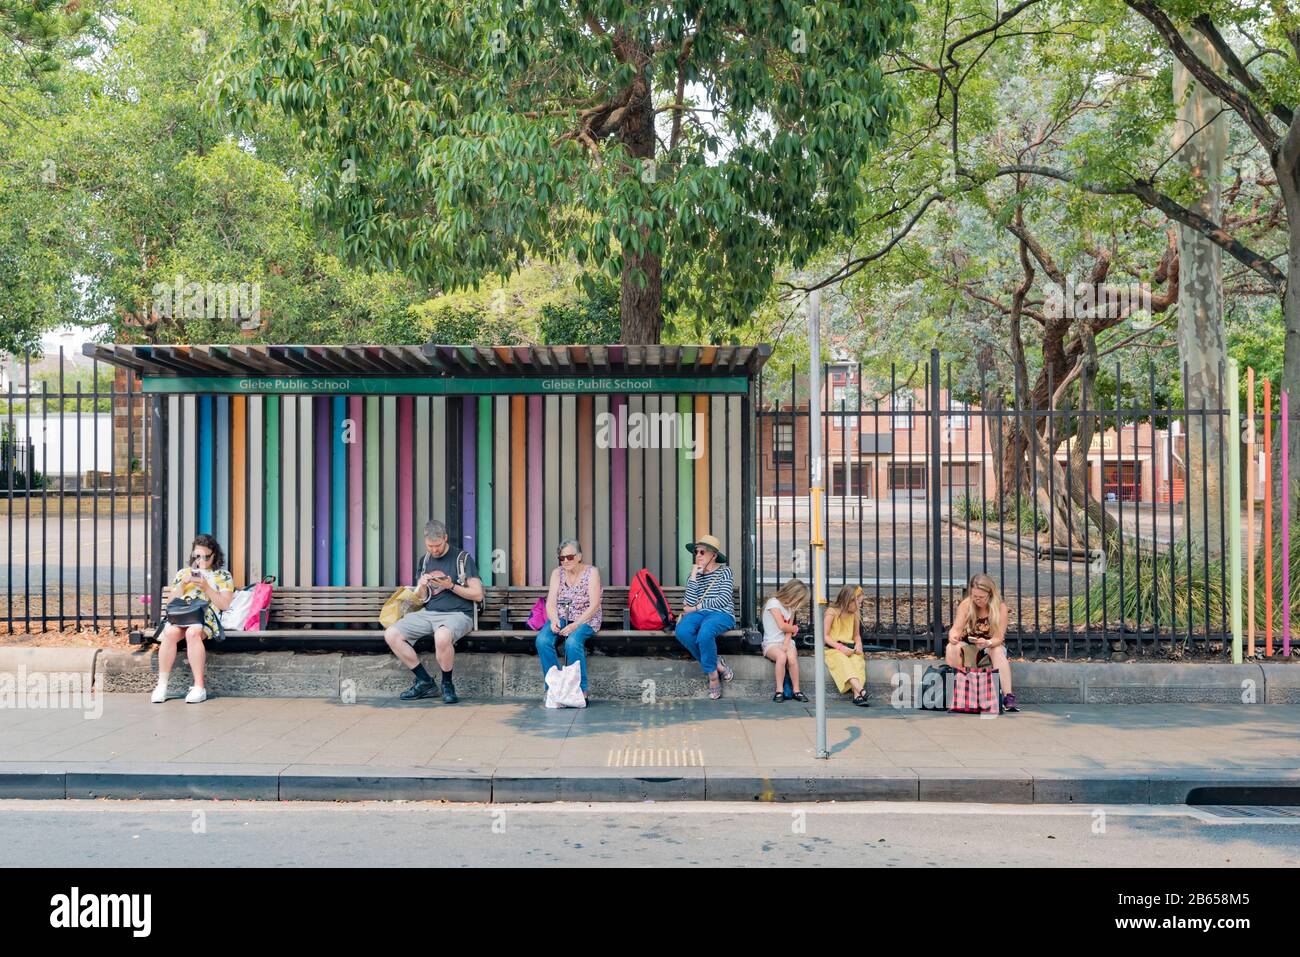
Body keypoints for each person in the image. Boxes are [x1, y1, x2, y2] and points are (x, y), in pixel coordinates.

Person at [384, 519, 485, 703]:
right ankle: (424, 682)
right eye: (430, 546)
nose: (434, 550)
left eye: (438, 545)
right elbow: (422, 599)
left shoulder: (462, 559)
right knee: (391, 634)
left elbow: (478, 594)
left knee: (442, 636)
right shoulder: (425, 561)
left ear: (445, 538)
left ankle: (447, 684)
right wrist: (421, 586)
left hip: (458, 614)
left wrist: (451, 585)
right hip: (429, 613)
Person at [150, 534, 234, 704]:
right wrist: (182, 585)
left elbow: (224, 604)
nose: (201, 561)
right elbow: (171, 602)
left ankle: (199, 687)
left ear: (214, 556)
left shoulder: (223, 576)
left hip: (205, 615)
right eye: (197, 556)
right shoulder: (183, 573)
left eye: (205, 557)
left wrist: (206, 587)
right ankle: (162, 685)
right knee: (170, 632)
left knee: (193, 633)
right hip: (182, 612)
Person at [535, 539, 602, 701]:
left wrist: (575, 625)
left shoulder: (591, 572)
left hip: (585, 619)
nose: (566, 561)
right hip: (562, 617)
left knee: (572, 642)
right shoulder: (557, 573)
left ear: (579, 556)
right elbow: (550, 602)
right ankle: (555, 687)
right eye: (562, 558)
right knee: (542, 640)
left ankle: (580, 690)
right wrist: (553, 619)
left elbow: (594, 605)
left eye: (570, 557)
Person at [674, 533, 736, 700]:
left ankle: (713, 677)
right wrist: (693, 577)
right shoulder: (693, 576)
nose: (698, 556)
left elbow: (723, 599)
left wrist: (698, 607)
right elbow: (688, 602)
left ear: (713, 555)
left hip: (722, 614)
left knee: (705, 633)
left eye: (702, 552)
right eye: (696, 552)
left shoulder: (725, 572)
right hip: (699, 614)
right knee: (682, 630)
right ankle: (716, 664)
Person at [947, 573, 1018, 712]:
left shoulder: (1000, 608)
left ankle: (1008, 696)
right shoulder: (966, 605)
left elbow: (999, 638)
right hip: (969, 646)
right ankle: (956, 691)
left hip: (989, 646)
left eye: (981, 597)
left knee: (996, 650)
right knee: (952, 647)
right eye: (974, 596)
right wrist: (953, 636)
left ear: (990, 594)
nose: (977, 600)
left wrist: (988, 642)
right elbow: (955, 629)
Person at [762, 578, 809, 702]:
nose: (798, 604)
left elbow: (788, 631)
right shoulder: (773, 603)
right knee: (781, 657)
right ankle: (779, 691)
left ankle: (796, 690)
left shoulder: (791, 608)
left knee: (792, 658)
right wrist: (794, 628)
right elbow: (782, 625)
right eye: (798, 600)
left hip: (785, 641)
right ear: (792, 594)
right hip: (771, 642)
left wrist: (786, 643)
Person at [824, 584, 869, 706]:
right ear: (849, 601)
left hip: (850, 648)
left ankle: (857, 695)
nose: (860, 606)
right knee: (843, 662)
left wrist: (858, 644)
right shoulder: (831, 612)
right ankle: (860, 690)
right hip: (833, 649)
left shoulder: (854, 614)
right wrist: (840, 648)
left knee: (857, 663)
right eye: (858, 603)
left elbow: (856, 635)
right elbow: (825, 636)